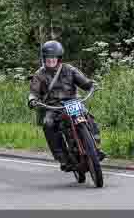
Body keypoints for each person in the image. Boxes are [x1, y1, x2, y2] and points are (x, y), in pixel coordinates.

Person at [28, 40, 105, 171]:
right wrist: (32, 100)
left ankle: (95, 147)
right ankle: (63, 158)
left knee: (87, 115)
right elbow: (33, 92)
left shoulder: (69, 69)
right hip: (54, 107)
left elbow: (84, 82)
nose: (51, 60)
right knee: (48, 124)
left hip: (72, 102)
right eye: (48, 58)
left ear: (59, 58)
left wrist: (91, 85)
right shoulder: (39, 74)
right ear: (44, 58)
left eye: (54, 57)